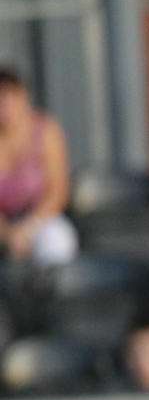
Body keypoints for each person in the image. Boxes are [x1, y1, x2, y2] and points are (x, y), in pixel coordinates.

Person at [0, 67, 77, 266]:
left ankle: (51, 296)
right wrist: (8, 234)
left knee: (57, 242)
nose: (5, 108)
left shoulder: (46, 131)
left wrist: (28, 228)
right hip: (4, 224)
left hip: (40, 219)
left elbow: (59, 191)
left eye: (10, 98)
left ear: (23, 97)